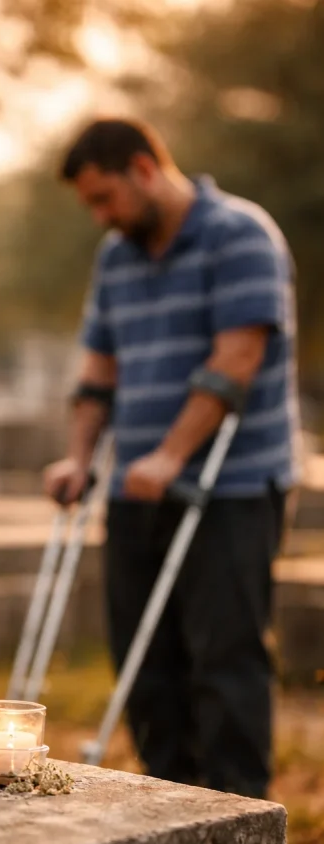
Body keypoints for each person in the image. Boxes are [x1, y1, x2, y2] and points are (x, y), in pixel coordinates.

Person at [45, 118, 300, 798]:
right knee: (143, 662)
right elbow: (98, 367)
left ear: (143, 168)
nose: (102, 216)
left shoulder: (240, 234)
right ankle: (169, 804)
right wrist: (78, 458)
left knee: (224, 659)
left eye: (105, 198)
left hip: (232, 485)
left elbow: (236, 356)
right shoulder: (116, 256)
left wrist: (168, 456)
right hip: (136, 489)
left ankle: (237, 814)